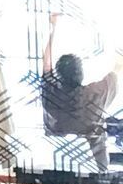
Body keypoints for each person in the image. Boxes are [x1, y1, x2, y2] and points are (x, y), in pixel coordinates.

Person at [42, 13, 121, 169]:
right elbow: (118, 68)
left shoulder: (50, 93)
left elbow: (46, 64)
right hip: (96, 169)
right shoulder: (96, 93)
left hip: (56, 169)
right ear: (81, 74)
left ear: (58, 74)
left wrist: (53, 28)